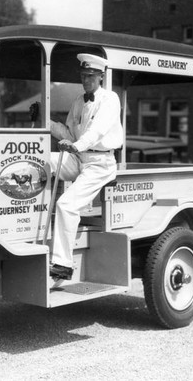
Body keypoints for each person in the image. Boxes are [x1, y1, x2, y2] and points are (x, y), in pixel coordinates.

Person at [48, 53, 123, 280]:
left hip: (100, 164)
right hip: (80, 159)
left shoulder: (110, 99)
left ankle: (63, 265)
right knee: (39, 161)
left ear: (101, 76)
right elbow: (69, 133)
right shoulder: (78, 102)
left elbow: (97, 131)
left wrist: (77, 145)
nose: (86, 80)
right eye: (83, 76)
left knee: (66, 205)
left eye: (90, 76)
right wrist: (46, 122)